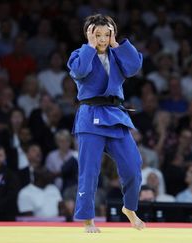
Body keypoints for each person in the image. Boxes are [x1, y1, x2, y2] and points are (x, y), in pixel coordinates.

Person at [67, 14, 144, 233]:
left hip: (115, 114)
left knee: (133, 165)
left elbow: (134, 67)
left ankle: (129, 208)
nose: (102, 39)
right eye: (97, 35)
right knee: (89, 170)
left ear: (113, 34)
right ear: (89, 34)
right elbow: (80, 71)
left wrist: (117, 45)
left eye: (106, 34)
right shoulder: (79, 55)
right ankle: (88, 219)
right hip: (90, 116)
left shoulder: (117, 54)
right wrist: (89, 47)